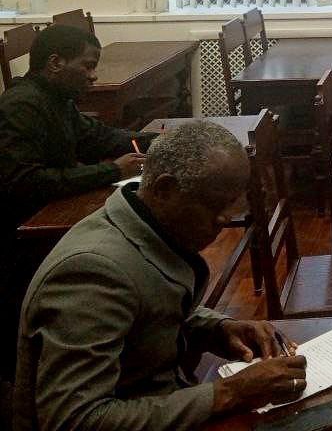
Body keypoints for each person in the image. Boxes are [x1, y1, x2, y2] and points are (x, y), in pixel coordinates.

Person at [13, 120, 309, 431]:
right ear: (164, 189)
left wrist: (218, 329)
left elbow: (148, 311)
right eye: (215, 205)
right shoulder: (92, 272)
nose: (225, 219)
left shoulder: (143, 227)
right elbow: (74, 420)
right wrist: (228, 393)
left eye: (232, 203)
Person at [0, 25, 148, 234]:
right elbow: (26, 183)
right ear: (55, 63)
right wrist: (114, 170)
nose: (93, 76)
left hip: (53, 206)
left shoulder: (57, 97)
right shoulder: (21, 106)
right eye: (88, 66)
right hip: (26, 228)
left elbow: (99, 137)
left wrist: (157, 140)